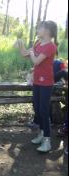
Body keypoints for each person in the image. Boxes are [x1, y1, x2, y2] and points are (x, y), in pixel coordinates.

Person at [17, 21, 58, 152]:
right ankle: (41, 134)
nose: (37, 29)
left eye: (40, 28)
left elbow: (35, 60)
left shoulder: (51, 46)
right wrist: (20, 44)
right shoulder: (38, 43)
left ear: (47, 31)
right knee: (37, 108)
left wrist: (31, 53)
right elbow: (25, 54)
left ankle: (47, 140)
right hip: (37, 82)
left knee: (44, 111)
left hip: (46, 83)